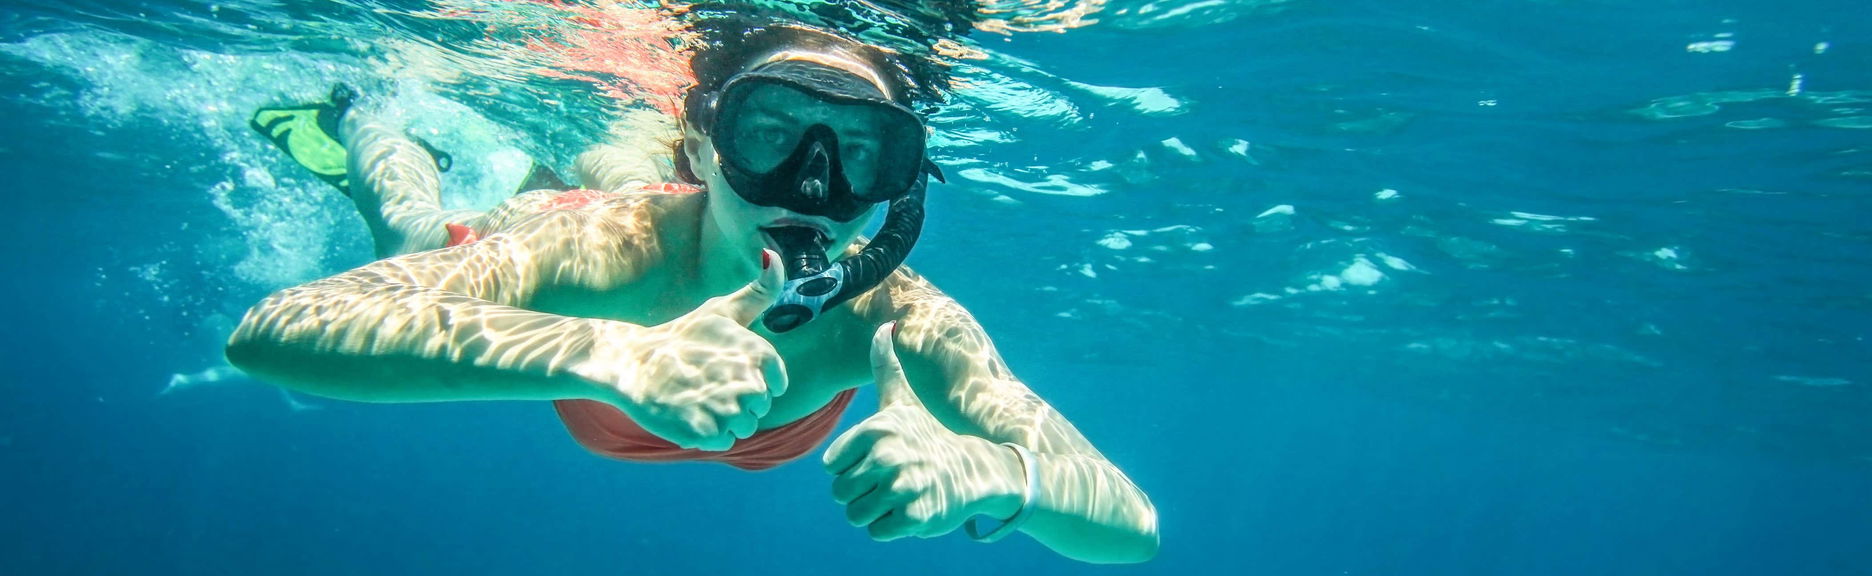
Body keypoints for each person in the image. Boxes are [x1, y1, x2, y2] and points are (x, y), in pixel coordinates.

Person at [227, 20, 1158, 564]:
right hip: (617, 266)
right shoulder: (598, 250)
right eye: (770, 133)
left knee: (625, 177)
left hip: (684, 244)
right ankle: (366, 124)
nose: (811, 187)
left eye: (860, 151)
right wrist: (615, 353)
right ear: (708, 144)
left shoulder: (897, 315)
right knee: (417, 237)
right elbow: (277, 328)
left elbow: (1134, 526)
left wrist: (998, 473)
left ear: (898, 184)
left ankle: (629, 158)